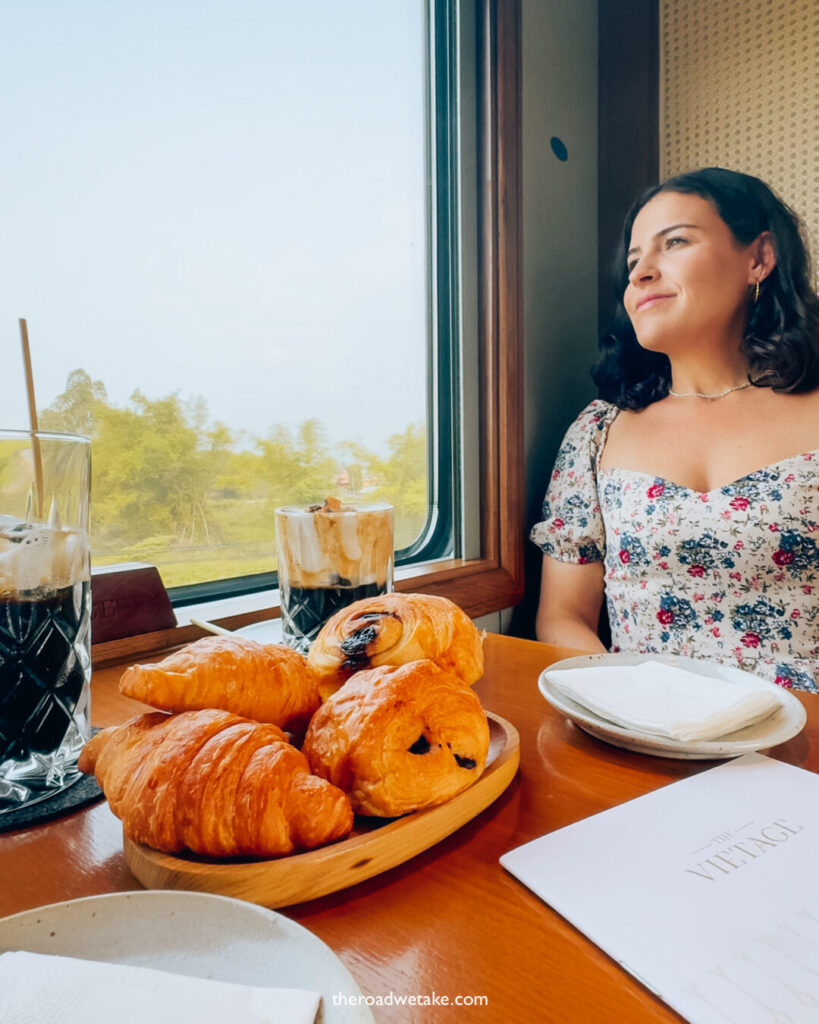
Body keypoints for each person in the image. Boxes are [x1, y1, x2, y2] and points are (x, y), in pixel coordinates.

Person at [531, 167, 819, 691]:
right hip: (648, 737)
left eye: (676, 242)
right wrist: (633, 707)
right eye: (634, 260)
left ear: (758, 258)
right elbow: (564, 615)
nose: (640, 274)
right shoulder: (598, 431)